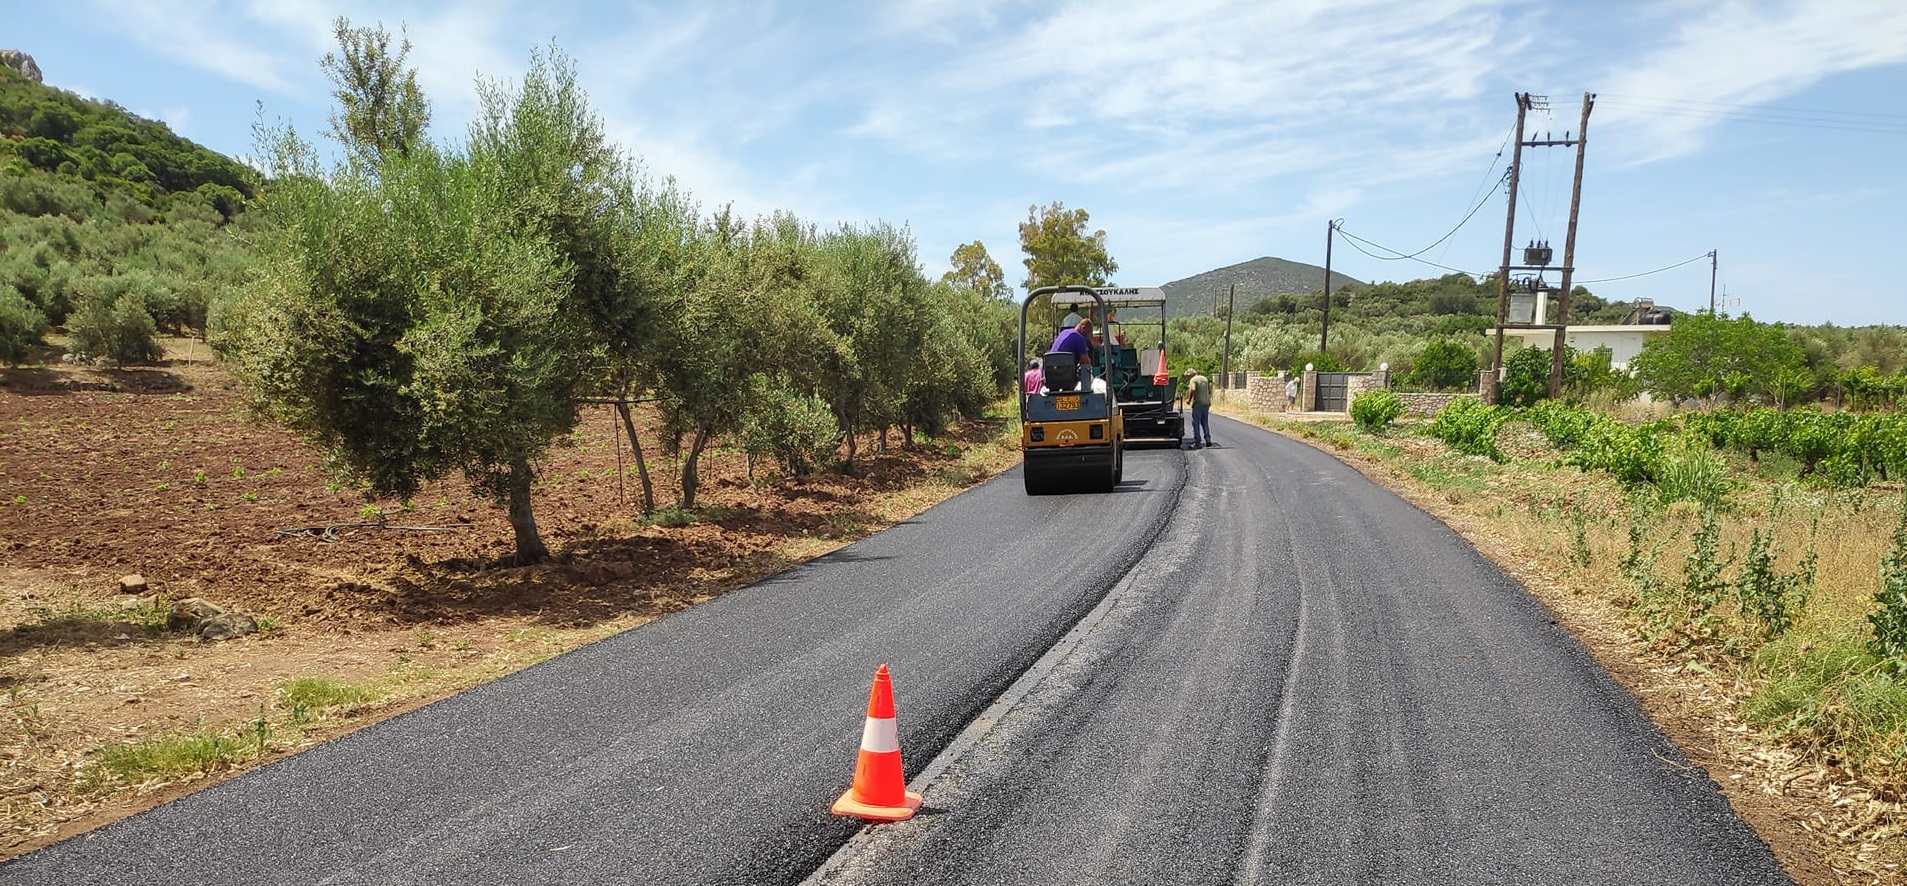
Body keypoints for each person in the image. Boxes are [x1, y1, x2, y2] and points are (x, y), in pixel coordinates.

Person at [1048, 316, 1095, 388]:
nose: (1087, 336)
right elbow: (1085, 361)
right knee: (1086, 366)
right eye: (1088, 333)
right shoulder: (1079, 338)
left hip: (1051, 374)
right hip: (1067, 376)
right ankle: (1086, 389)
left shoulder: (1063, 332)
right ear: (1083, 328)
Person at [1186, 367, 1213, 448]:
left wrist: (1189, 399)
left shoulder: (1193, 380)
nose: (1187, 377)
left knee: (1196, 422)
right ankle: (1208, 439)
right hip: (1206, 403)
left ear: (1190, 375)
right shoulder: (1204, 379)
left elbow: (1193, 389)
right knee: (1205, 421)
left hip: (1198, 403)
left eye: (1187, 376)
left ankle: (1197, 441)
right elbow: (1209, 390)